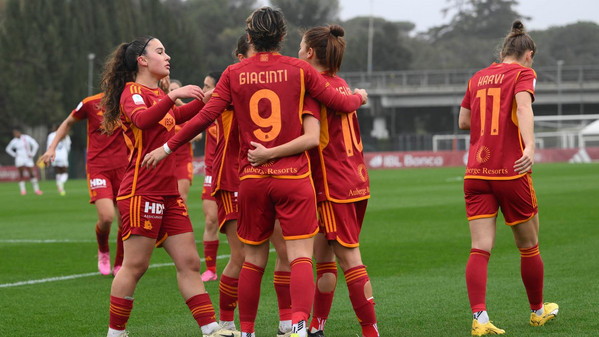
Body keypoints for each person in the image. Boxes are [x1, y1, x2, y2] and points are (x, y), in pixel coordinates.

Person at [142, 7, 367, 337]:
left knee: (252, 259)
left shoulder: (233, 73)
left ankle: (245, 331)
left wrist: (166, 148)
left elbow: (203, 118)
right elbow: (339, 102)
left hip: (251, 178)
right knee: (301, 254)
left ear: (250, 37)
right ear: (282, 37)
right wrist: (359, 97)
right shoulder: (300, 69)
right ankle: (298, 327)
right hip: (293, 177)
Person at [99, 35, 238, 337]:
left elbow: (179, 117)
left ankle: (211, 329)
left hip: (168, 193)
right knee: (135, 266)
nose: (167, 56)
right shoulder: (132, 92)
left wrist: (213, 101)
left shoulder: (154, 94)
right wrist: (173, 96)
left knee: (189, 262)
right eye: (160, 51)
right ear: (142, 60)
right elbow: (144, 121)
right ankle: (115, 333)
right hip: (141, 191)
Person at [251, 25, 379, 337]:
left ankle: (371, 331)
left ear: (309, 53)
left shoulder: (313, 87)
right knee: (323, 258)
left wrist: (269, 153)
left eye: (299, 47)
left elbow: (310, 140)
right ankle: (315, 327)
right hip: (355, 182)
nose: (296, 52)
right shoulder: (343, 85)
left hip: (333, 186)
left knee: (350, 258)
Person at [458, 20, 558, 336]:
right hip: (510, 171)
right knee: (529, 246)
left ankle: (480, 318)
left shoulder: (477, 77)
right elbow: (524, 107)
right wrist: (528, 144)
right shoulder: (523, 74)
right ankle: (538, 311)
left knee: (480, 248)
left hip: (475, 171)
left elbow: (463, 121)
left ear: (503, 51)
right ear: (528, 54)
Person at [40, 93, 127, 276]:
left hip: (124, 168)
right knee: (106, 218)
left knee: (124, 221)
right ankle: (103, 250)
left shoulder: (130, 101)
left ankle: (120, 262)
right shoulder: (90, 103)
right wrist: (51, 148)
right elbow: (68, 122)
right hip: (98, 168)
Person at [200, 71, 221, 283]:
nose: (204, 90)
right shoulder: (207, 109)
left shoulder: (230, 108)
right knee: (211, 219)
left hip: (234, 172)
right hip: (211, 172)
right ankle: (211, 269)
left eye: (208, 86)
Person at [6, 129, 43, 195]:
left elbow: (35, 145)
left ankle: (36, 190)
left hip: (28, 159)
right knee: (21, 174)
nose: (16, 134)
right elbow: (8, 149)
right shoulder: (14, 141)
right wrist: (15, 155)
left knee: (32, 174)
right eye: (14, 133)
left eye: (17, 133)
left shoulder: (26, 138)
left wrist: (32, 153)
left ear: (19, 132)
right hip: (19, 159)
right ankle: (23, 191)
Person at [46, 124, 71, 195]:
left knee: (58, 172)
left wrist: (48, 156)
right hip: (63, 155)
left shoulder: (51, 135)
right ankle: (60, 183)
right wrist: (66, 154)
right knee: (65, 173)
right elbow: (68, 146)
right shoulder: (65, 135)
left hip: (54, 156)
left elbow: (49, 146)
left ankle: (61, 188)